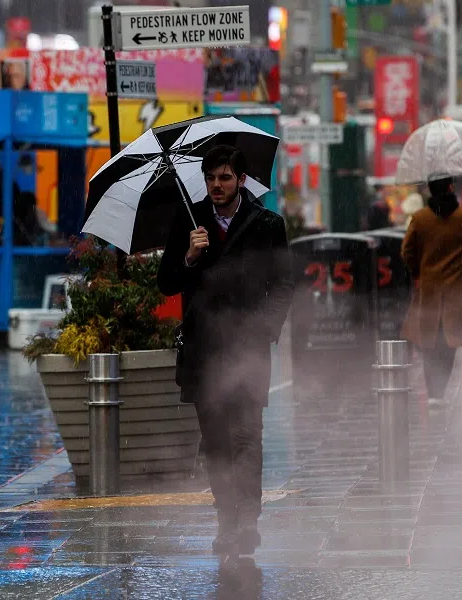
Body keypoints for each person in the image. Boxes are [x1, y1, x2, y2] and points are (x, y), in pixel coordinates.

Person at [158, 145, 294, 563]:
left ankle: (248, 521)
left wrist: (265, 329)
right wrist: (189, 256)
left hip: (248, 350)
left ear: (241, 180)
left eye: (225, 178)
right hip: (203, 351)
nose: (217, 185)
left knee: (246, 436)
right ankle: (226, 519)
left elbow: (284, 285)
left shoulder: (267, 224)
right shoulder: (188, 219)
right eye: (211, 177)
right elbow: (167, 283)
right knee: (216, 442)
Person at [401, 174, 462, 407]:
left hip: (430, 289)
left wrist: (421, 269)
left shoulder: (419, 219)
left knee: (429, 341)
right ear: (450, 187)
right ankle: (440, 390)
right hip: (456, 290)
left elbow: (407, 252)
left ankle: (434, 392)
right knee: (450, 342)